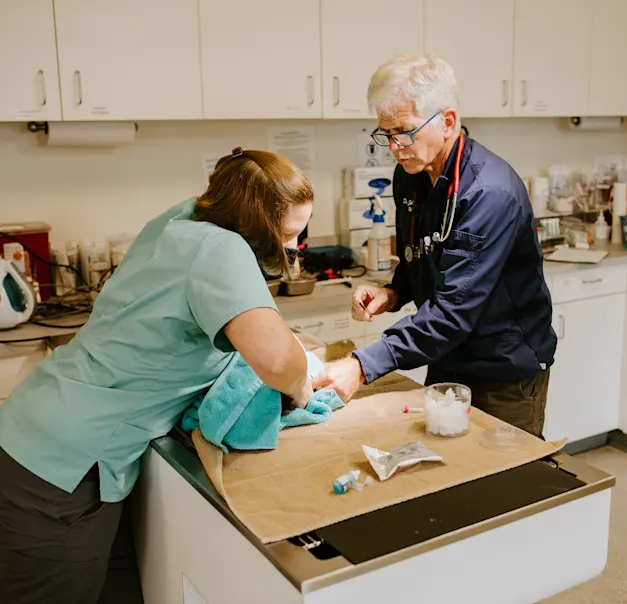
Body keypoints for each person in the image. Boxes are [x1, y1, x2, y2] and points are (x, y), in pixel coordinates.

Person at [0, 148, 314, 604]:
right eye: (288, 236)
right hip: (62, 466)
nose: (293, 248)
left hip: (36, 423)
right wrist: (302, 382)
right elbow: (278, 361)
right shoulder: (220, 248)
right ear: (256, 224)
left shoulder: (179, 221)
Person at [314, 53, 557, 438]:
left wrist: (362, 365)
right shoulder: (410, 174)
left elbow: (454, 311)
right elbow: (424, 250)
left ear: (447, 122)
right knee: (446, 471)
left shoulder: (489, 193)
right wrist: (393, 291)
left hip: (504, 368)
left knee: (505, 484)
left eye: (405, 131)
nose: (395, 146)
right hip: (448, 356)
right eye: (385, 133)